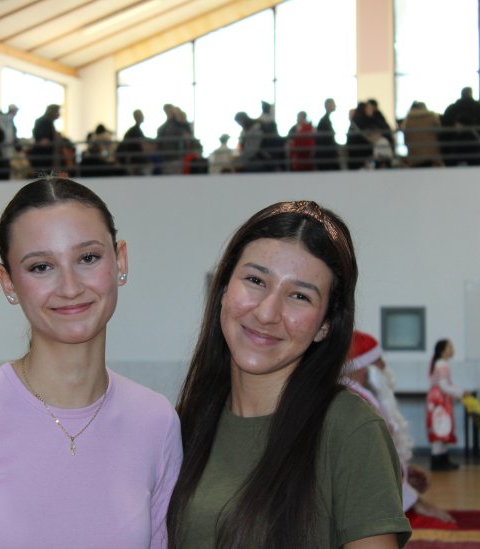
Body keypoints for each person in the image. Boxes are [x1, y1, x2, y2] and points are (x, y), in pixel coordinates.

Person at [0, 178, 183, 548]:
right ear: (8, 282)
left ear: (120, 260)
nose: (70, 287)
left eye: (88, 258)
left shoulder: (156, 422)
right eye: (41, 267)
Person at [166, 201, 411, 548]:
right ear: (223, 289)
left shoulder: (350, 430)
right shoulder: (185, 423)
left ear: (325, 325)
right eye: (255, 280)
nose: (267, 313)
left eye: (299, 296)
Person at [345, 332, 455, 526]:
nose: (384, 365)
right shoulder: (353, 405)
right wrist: (414, 501)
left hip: (375, 505)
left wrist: (405, 474)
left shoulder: (360, 398)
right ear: (362, 368)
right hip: (361, 516)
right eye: (378, 360)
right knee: (442, 528)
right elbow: (366, 470)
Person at [426, 338, 467, 472]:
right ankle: (437, 461)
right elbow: (444, 385)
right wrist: (461, 393)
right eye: (449, 347)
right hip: (439, 401)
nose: (452, 349)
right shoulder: (442, 364)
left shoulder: (439, 363)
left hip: (438, 400)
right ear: (443, 351)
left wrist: (457, 392)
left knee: (443, 428)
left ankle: (443, 459)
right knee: (440, 429)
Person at [315, 98, 340, 170]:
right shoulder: (324, 121)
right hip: (327, 156)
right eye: (333, 104)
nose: (335, 105)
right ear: (328, 105)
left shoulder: (325, 120)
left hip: (327, 155)